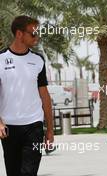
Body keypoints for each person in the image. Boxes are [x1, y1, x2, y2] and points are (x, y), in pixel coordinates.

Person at [0, 15, 54, 176]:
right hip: (9, 128)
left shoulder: (38, 60)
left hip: (34, 126)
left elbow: (45, 96)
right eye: (33, 33)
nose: (37, 37)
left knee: (29, 173)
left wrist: (49, 130)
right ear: (19, 34)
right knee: (13, 172)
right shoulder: (1, 60)